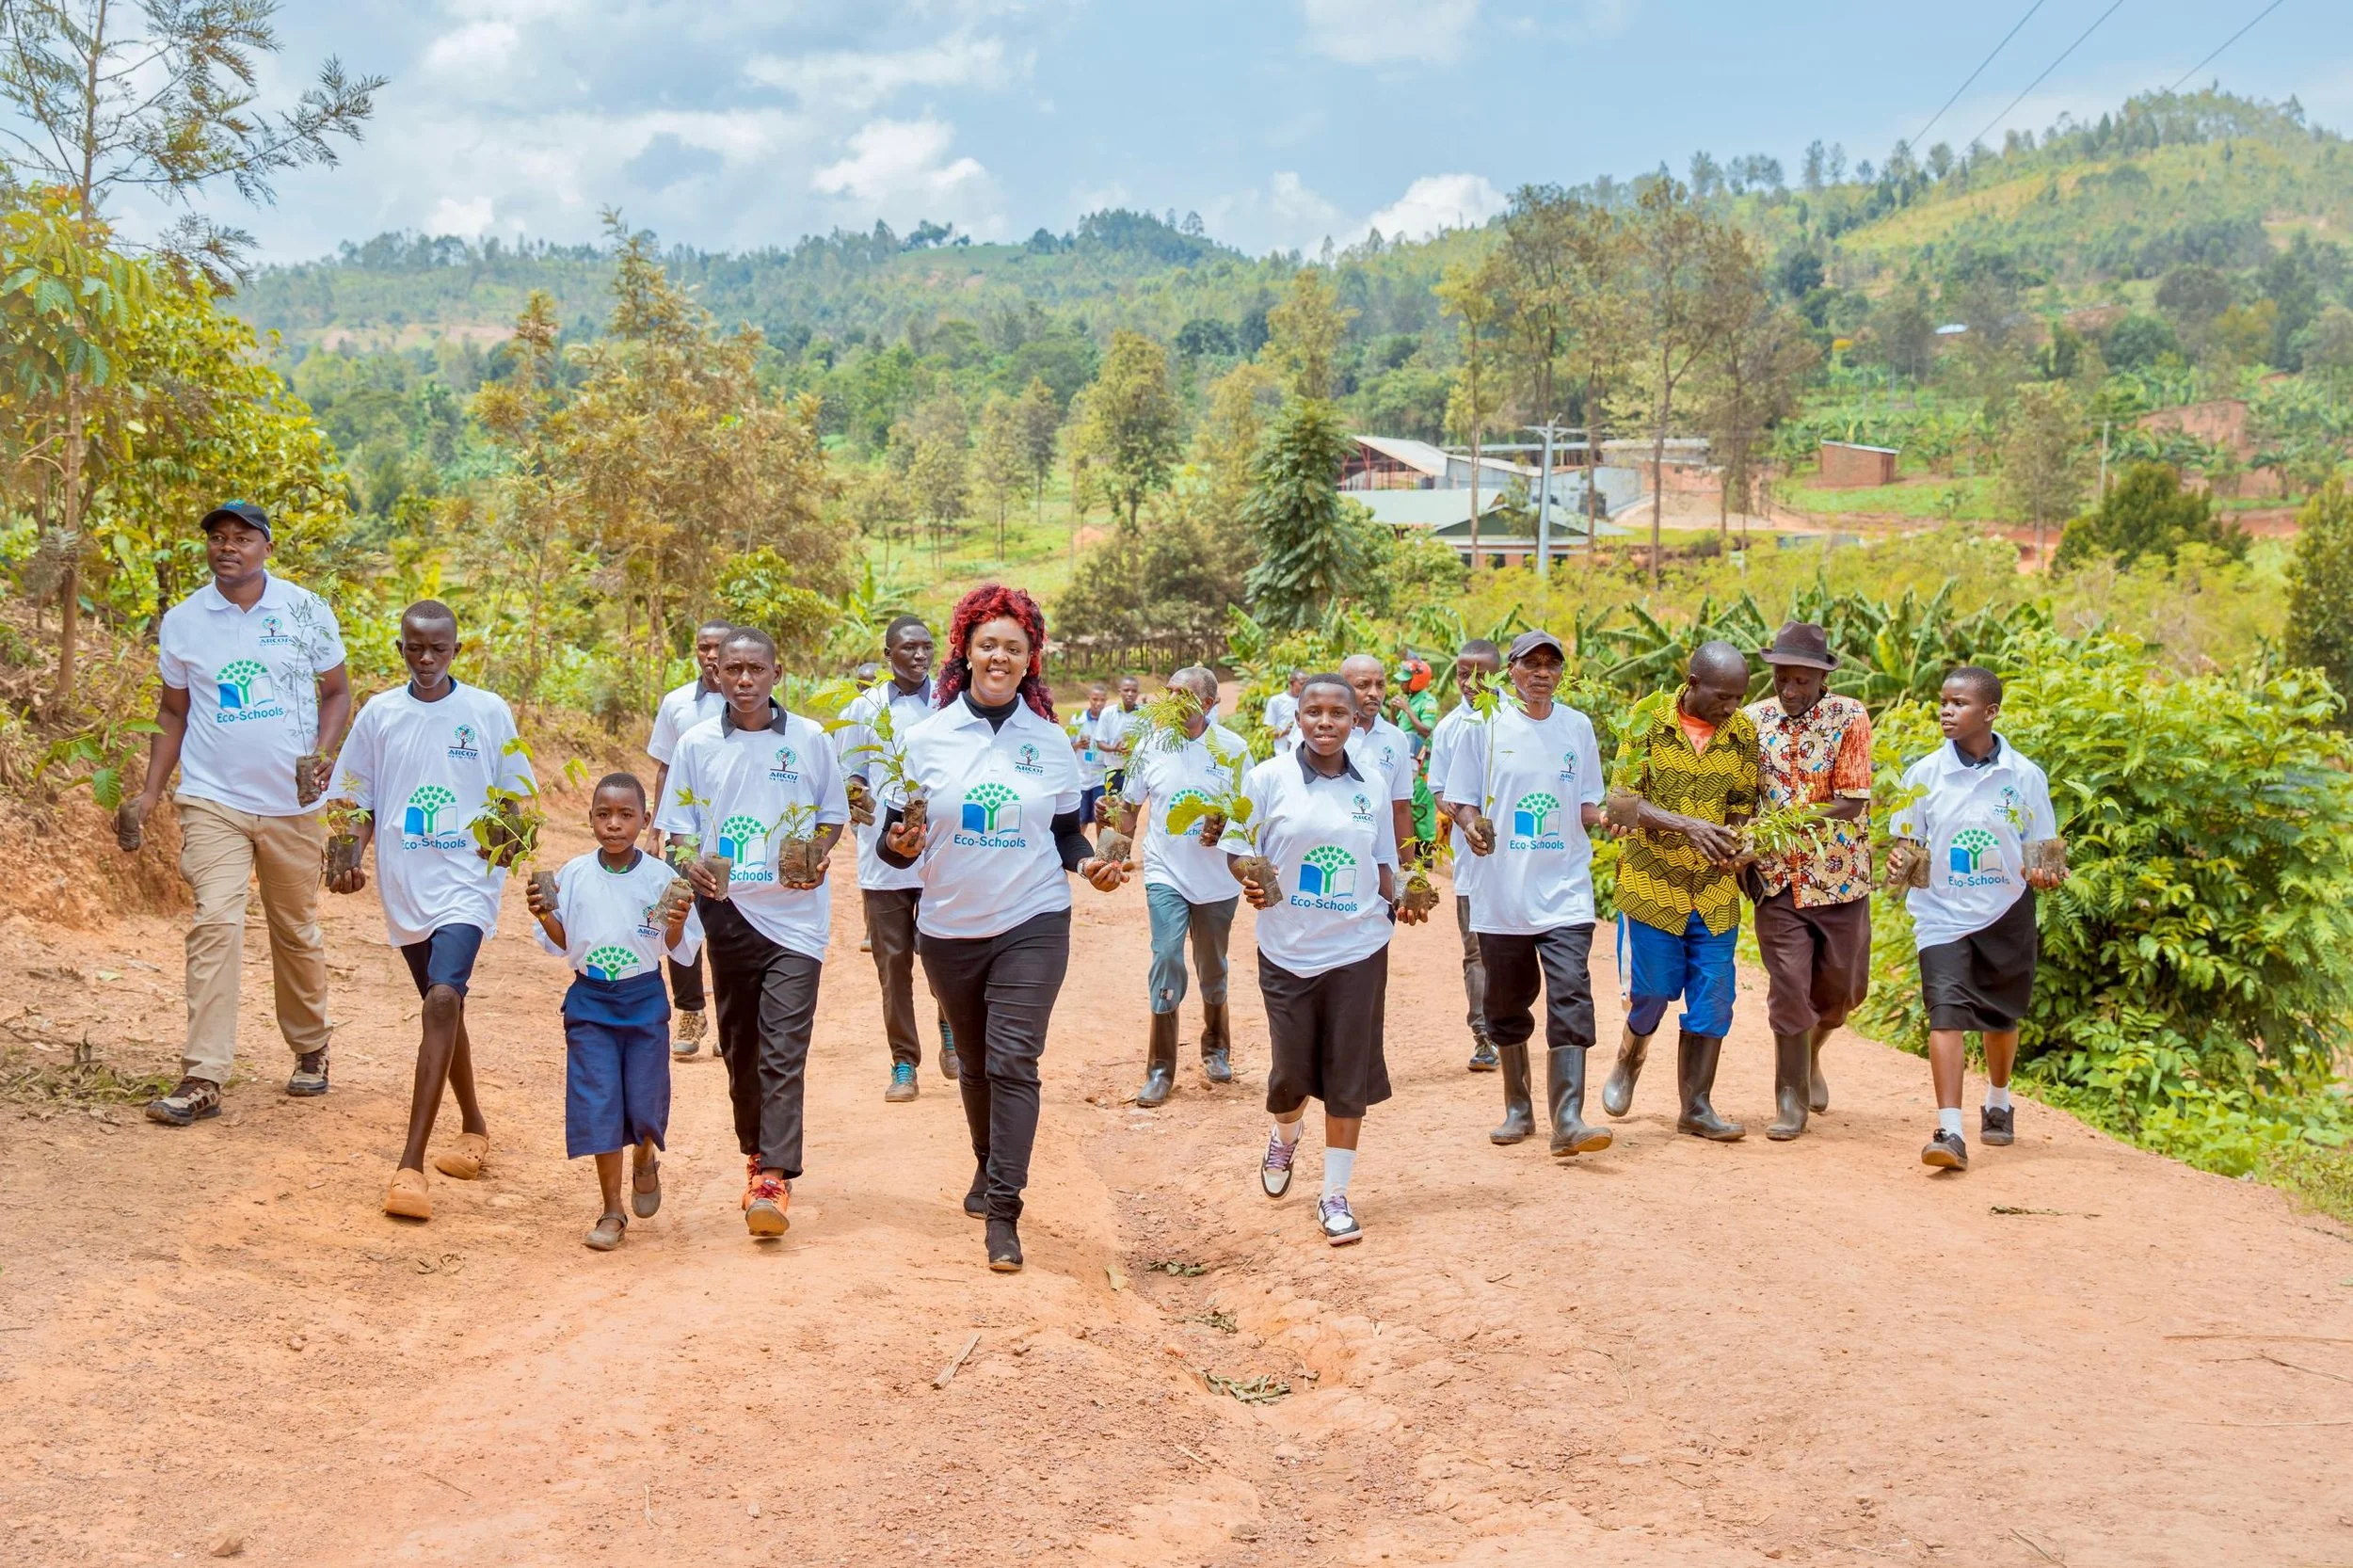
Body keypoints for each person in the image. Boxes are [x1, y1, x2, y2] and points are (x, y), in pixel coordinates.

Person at [875, 584, 1125, 1273]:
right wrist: (899, 845)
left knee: (1015, 1059)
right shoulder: (923, 739)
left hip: (1033, 919)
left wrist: (1090, 868)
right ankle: (988, 1170)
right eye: (989, 643)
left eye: (1014, 648)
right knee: (979, 1064)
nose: (1000, 656)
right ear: (966, 649)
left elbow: (1066, 834)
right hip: (950, 927)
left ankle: (1005, 1213)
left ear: (1029, 661)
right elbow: (890, 843)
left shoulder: (1048, 741)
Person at [125, 501, 351, 1128]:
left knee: (294, 929)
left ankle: (310, 1046)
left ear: (266, 548)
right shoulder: (184, 621)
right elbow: (173, 712)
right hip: (212, 797)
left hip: (292, 804)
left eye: (242, 538)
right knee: (215, 921)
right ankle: (203, 1075)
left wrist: (321, 754)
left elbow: (336, 693)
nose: (228, 547)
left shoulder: (306, 610)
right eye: (217, 538)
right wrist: (150, 793)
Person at [325, 600, 536, 1220]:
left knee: (443, 999)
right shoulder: (379, 715)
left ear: (456, 651)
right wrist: (346, 856)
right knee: (443, 1002)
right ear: (400, 650)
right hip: (405, 880)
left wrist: (502, 843)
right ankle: (474, 1125)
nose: (425, 659)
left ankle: (409, 1167)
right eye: (414, 648)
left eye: (436, 649)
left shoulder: (488, 712)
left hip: (468, 882)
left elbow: (518, 804)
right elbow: (354, 797)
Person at [656, 628, 847, 1236]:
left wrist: (816, 854)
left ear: (777, 673)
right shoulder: (695, 743)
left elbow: (832, 816)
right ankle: (755, 1155)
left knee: (784, 1048)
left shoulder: (811, 740)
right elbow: (678, 829)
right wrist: (689, 861)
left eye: (754, 669)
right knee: (742, 1047)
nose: (742, 679)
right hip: (729, 911)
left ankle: (775, 1178)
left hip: (796, 920)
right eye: (731, 669)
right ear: (717, 674)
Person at [1234, 672, 1426, 1246]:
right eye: (1313, 712)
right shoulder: (1267, 780)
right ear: (1297, 718)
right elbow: (1241, 853)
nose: (1325, 723)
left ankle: (1335, 1195)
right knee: (1292, 1074)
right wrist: (1252, 880)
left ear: (1352, 721)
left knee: (1348, 1075)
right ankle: (1284, 1135)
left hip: (1359, 945)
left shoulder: (1368, 786)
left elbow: (1385, 862)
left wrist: (1405, 895)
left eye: (1336, 714)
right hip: (1288, 947)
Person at [1890, 666, 2065, 1172]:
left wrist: (2049, 873)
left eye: (1959, 703)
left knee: (2001, 1016)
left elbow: (2045, 855)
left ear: (1990, 712)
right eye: (1943, 702)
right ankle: (1949, 1129)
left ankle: (1999, 1100)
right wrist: (1902, 865)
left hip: (2006, 910)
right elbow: (1908, 857)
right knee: (1944, 1012)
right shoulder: (1922, 775)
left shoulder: (2025, 776)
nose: (1947, 711)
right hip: (1942, 915)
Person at [1444, 632, 1609, 1155]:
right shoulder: (1484, 727)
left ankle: (1569, 1120)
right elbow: (1458, 799)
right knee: (1506, 1003)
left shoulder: (1577, 727)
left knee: (1570, 993)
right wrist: (1471, 825)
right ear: (1509, 670)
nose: (1541, 672)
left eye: (1551, 665)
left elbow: (1586, 805)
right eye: (1530, 664)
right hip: (1501, 894)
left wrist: (1617, 817)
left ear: (1561, 673)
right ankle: (1519, 1108)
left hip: (1564, 888)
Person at [525, 773, 701, 1250]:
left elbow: (675, 948)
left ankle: (645, 1157)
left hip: (643, 1001)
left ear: (645, 821)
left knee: (644, 1102)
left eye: (626, 815)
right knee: (599, 1102)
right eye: (604, 814)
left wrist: (679, 922)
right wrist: (543, 912)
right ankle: (611, 1211)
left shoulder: (663, 878)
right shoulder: (574, 874)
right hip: (590, 1002)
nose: (614, 824)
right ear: (590, 820)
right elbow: (563, 943)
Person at [1599, 642, 1760, 1142]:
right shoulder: (1646, 721)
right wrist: (1686, 825)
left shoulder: (1743, 735)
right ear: (1691, 684)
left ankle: (1696, 1106)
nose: (1730, 708)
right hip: (1652, 886)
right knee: (1652, 992)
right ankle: (1630, 1057)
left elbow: (1740, 808)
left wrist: (1744, 845)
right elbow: (1621, 803)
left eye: (1738, 698)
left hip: (1713, 894)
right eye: (1722, 696)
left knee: (1714, 998)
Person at [1744, 622, 1874, 1142]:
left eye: (1802, 681)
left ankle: (1813, 1051)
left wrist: (1786, 824)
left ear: (1822, 679)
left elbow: (1851, 800)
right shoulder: (1752, 723)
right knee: (1790, 989)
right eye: (1782, 680)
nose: (1790, 691)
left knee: (1843, 991)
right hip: (1776, 881)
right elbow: (1742, 797)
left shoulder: (1850, 717)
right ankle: (1789, 1096)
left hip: (1838, 880)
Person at [836, 615, 958, 1103]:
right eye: (907, 648)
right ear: (888, 656)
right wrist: (863, 801)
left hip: (941, 855)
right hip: (881, 859)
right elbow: (850, 776)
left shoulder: (951, 703)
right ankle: (904, 1061)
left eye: (926, 647)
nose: (919, 655)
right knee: (893, 966)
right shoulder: (864, 708)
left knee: (946, 955)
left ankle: (950, 1030)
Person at [1112, 665, 1246, 1106]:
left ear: (1208, 704)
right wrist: (1110, 856)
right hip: (1165, 872)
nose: (1169, 701)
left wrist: (1227, 825)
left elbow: (1250, 815)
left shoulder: (1233, 749)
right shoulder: (1150, 744)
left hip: (1217, 880)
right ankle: (1160, 1067)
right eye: (1167, 692)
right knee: (1166, 956)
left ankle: (1216, 1045)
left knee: (1212, 967)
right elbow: (1129, 807)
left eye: (1182, 695)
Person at [646, 617, 731, 1058]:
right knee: (676, 916)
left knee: (727, 927)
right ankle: (691, 1010)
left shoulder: (751, 704)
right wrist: (655, 830)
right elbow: (663, 768)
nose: (712, 655)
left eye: (720, 647)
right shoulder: (676, 703)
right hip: (684, 835)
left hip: (732, 837)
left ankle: (728, 1019)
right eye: (704, 647)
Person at [1425, 639, 1503, 1072]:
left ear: (1501, 673)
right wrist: (1466, 822)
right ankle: (1483, 1035)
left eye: (1481, 674)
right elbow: (1439, 789)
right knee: (1475, 949)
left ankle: (1513, 1028)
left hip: (1525, 860)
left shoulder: (1522, 718)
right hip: (1472, 861)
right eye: (1462, 674)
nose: (1471, 684)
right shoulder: (1449, 728)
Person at [1338, 654, 1417, 855]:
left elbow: (1400, 808)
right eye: (1363, 685)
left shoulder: (1396, 739)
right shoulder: (1325, 736)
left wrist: (1411, 871)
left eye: (1380, 685)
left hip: (1379, 860)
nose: (1374, 693)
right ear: (1342, 688)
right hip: (1334, 854)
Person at [1094, 674, 1143, 801]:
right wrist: (1114, 748)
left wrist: (1135, 750)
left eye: (1134, 691)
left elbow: (1147, 744)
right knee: (1113, 808)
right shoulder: (1108, 713)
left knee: (1131, 808)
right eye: (1126, 690)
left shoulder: (1143, 715)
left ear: (1138, 693)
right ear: (1119, 691)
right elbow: (1099, 742)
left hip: (1134, 771)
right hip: (1112, 770)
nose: (1130, 694)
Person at [1069, 683, 1111, 831]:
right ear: (1089, 699)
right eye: (1095, 699)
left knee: (1102, 819)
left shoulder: (1108, 719)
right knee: (1080, 820)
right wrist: (1078, 744)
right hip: (1081, 778)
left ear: (1106, 700)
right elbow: (1068, 747)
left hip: (1101, 777)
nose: (1098, 703)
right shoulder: (1077, 719)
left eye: (1102, 700)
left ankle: (1100, 854)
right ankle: (1079, 853)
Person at [1262, 670, 1305, 753]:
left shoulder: (1307, 701)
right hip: (1282, 753)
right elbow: (1267, 733)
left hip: (1303, 756)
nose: (1306, 686)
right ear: (1292, 683)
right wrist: (1285, 732)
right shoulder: (1276, 701)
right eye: (1302, 683)